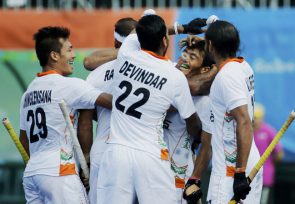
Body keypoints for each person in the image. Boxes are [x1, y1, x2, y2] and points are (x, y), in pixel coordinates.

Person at [97, 14, 202, 204]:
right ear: (164, 40)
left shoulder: (125, 52)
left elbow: (134, 32)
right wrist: (199, 136)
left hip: (116, 153)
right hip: (150, 155)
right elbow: (192, 122)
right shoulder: (174, 76)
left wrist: (178, 28)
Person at [19, 26, 111, 204]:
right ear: (54, 55)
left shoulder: (28, 93)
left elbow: (24, 140)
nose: (73, 55)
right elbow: (113, 102)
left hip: (32, 174)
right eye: (69, 50)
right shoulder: (68, 85)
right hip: (60, 172)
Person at [195, 20, 262, 203]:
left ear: (210, 45)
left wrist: (239, 174)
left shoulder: (226, 77)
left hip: (231, 170)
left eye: (206, 42)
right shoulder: (243, 66)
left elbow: (245, 122)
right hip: (248, 161)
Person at [77, 17, 137, 204]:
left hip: (103, 148)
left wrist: (85, 156)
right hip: (138, 146)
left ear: (115, 43)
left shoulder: (96, 73)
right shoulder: (150, 68)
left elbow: (85, 122)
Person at [163, 40, 214, 204]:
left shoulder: (205, 102)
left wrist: (194, 180)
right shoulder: (166, 74)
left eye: (192, 57)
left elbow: (206, 145)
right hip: (151, 166)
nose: (185, 59)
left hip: (179, 173)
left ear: (205, 70)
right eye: (184, 54)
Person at [253, 103, 283, 204]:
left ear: (262, 118)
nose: (254, 120)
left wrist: (269, 164)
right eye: (253, 117)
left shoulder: (269, 131)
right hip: (247, 177)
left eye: (257, 118)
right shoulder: (245, 131)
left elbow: (279, 154)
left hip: (264, 177)